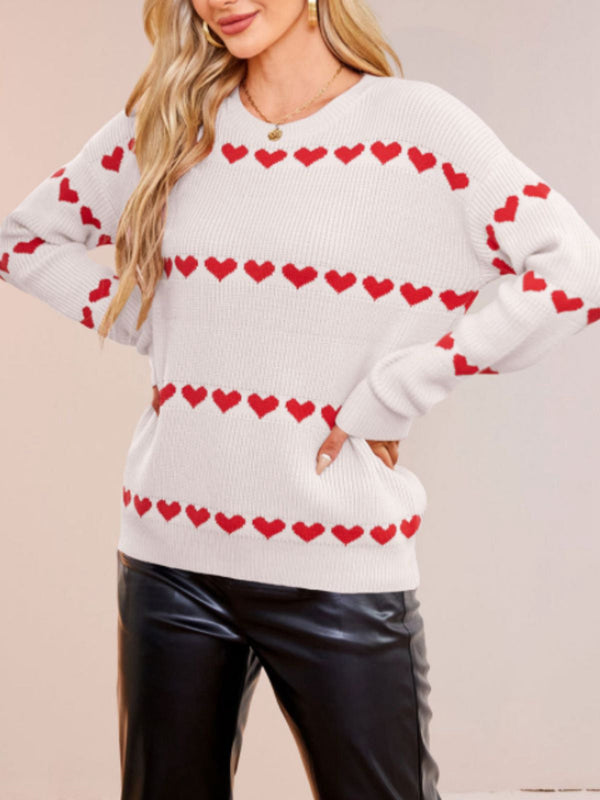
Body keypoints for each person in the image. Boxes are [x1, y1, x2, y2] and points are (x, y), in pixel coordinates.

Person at [2, 1, 599, 798]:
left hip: (339, 560)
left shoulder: (419, 128)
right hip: (170, 556)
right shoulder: (174, 121)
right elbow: (23, 240)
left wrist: (398, 388)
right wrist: (169, 325)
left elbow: (573, 274)